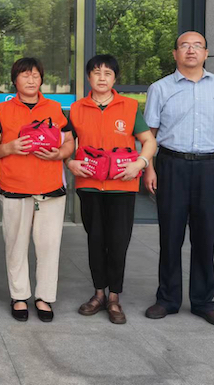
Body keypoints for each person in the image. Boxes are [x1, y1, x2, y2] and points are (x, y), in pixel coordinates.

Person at [143, 31, 214, 328]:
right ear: (175, 54)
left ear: (206, 53)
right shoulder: (160, 88)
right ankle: (167, 299)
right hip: (171, 166)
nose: (191, 50)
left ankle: (203, 302)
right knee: (170, 236)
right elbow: (150, 133)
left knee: (205, 237)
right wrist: (149, 168)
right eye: (184, 46)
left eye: (197, 46)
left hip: (210, 167)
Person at [65, 55, 156, 325]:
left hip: (122, 186)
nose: (102, 77)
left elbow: (148, 141)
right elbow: (67, 144)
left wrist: (140, 163)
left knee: (118, 241)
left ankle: (114, 297)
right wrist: (69, 162)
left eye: (107, 73)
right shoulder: (77, 108)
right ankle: (98, 294)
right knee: (95, 241)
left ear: (115, 78)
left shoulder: (129, 106)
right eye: (96, 72)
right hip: (90, 185)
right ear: (88, 77)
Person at [0, 58, 75, 322]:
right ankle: (19, 296)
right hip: (14, 187)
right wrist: (10, 148)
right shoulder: (1, 110)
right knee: (15, 245)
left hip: (51, 188)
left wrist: (59, 153)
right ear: (14, 80)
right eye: (25, 75)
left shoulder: (55, 108)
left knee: (49, 246)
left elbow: (70, 140)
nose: (31, 80)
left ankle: (44, 297)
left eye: (36, 75)